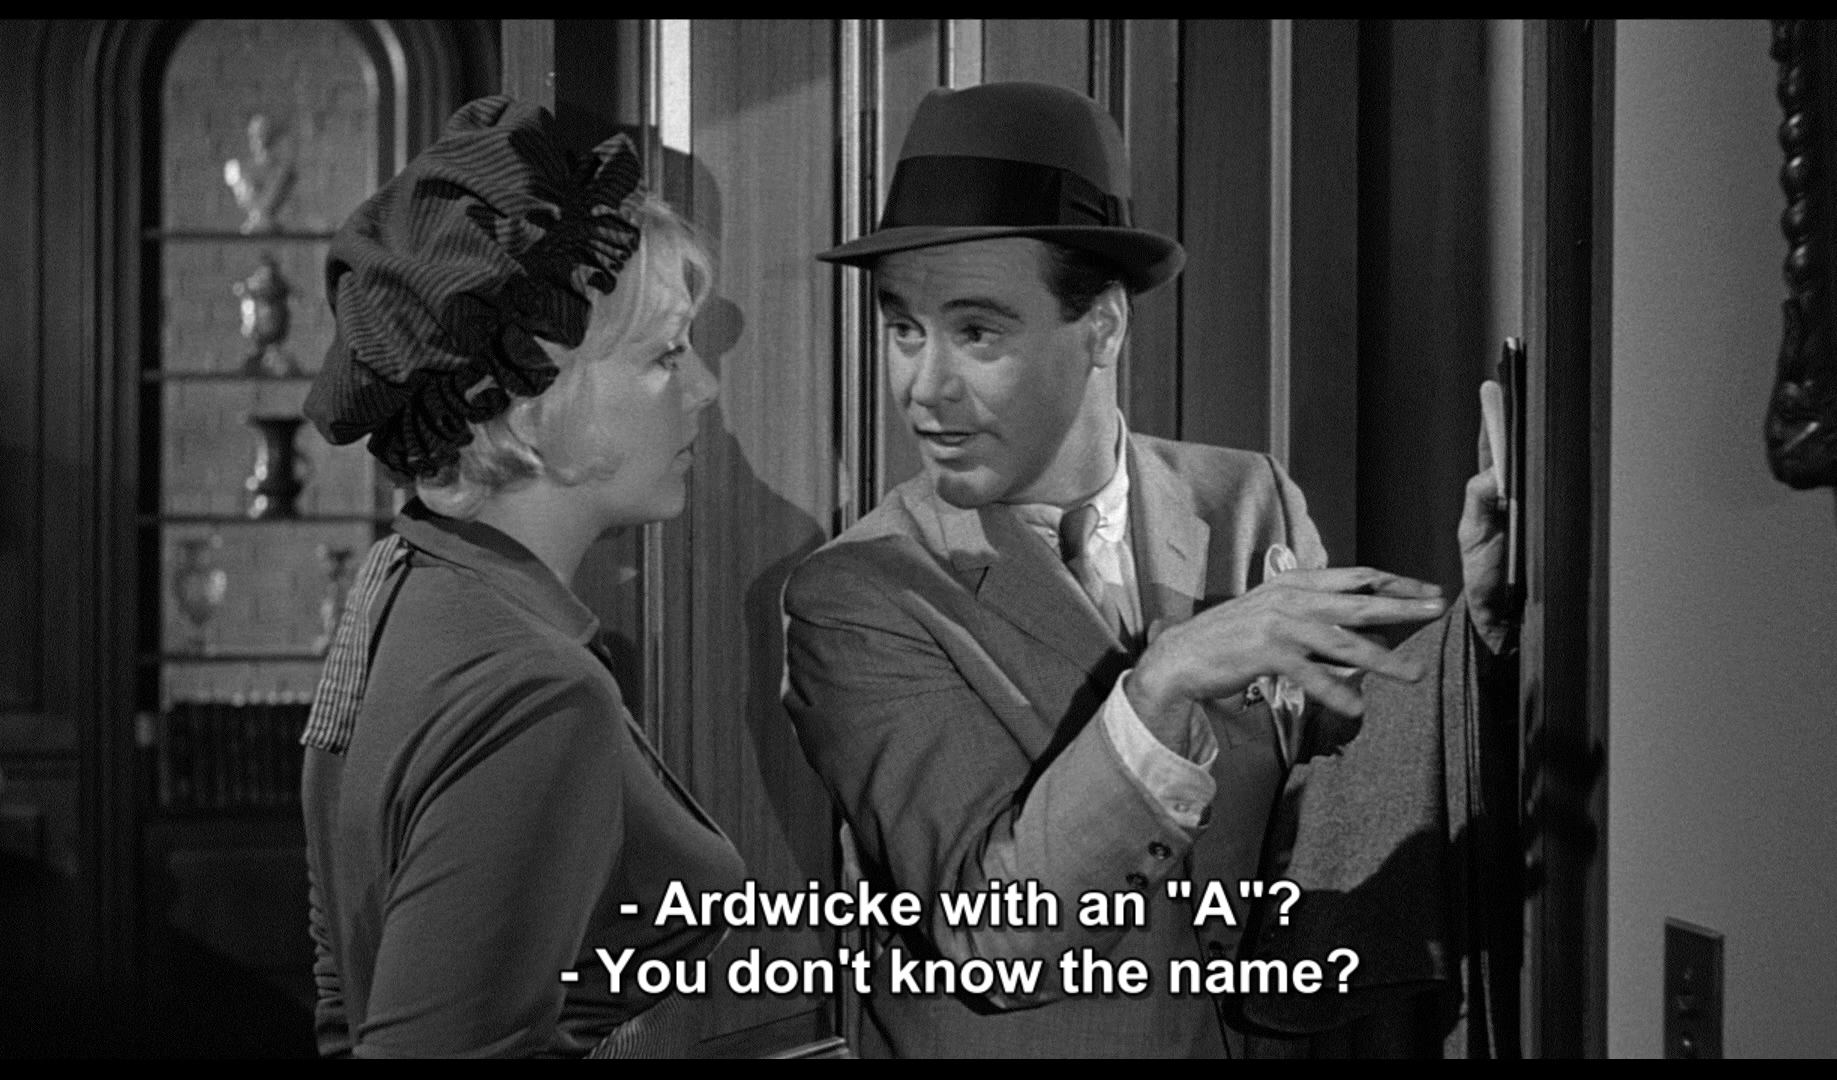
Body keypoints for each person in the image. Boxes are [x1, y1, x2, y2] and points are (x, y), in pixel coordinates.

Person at [781, 82, 1512, 1057]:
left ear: (1103, 327)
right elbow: (992, 938)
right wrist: (1164, 684)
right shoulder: (859, 594)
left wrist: (1481, 626)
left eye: (975, 332)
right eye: (903, 329)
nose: (924, 385)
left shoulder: (1247, 500)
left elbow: (1339, 786)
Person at [298, 97, 743, 1057]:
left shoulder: (407, 579)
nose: (705, 389)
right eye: (668, 355)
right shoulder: (534, 689)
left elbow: (346, 994)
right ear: (537, 401)